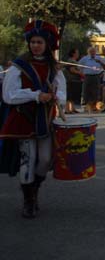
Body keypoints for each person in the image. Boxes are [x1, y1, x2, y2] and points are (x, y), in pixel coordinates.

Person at [0, 20, 66, 218]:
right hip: (23, 119)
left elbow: (61, 91)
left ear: (47, 44)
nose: (35, 45)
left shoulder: (54, 68)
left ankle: (34, 190)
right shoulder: (18, 67)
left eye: (39, 42)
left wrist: (56, 98)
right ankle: (29, 201)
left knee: (45, 160)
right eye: (33, 42)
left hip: (45, 119)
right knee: (27, 160)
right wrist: (36, 95)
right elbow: (9, 95)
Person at [78, 47, 104, 113]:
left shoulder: (99, 58)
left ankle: (95, 107)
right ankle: (87, 107)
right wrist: (82, 72)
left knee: (96, 92)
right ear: (88, 52)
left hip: (96, 76)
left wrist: (101, 73)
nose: (92, 53)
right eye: (91, 52)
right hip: (87, 76)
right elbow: (79, 66)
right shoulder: (85, 59)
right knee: (86, 91)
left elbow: (104, 66)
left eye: (94, 51)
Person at [63, 48, 84, 115]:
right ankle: (67, 109)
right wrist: (80, 73)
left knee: (73, 95)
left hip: (75, 80)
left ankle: (72, 108)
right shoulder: (71, 61)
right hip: (71, 80)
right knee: (69, 95)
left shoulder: (74, 61)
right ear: (73, 53)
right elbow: (72, 70)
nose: (78, 54)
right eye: (77, 53)